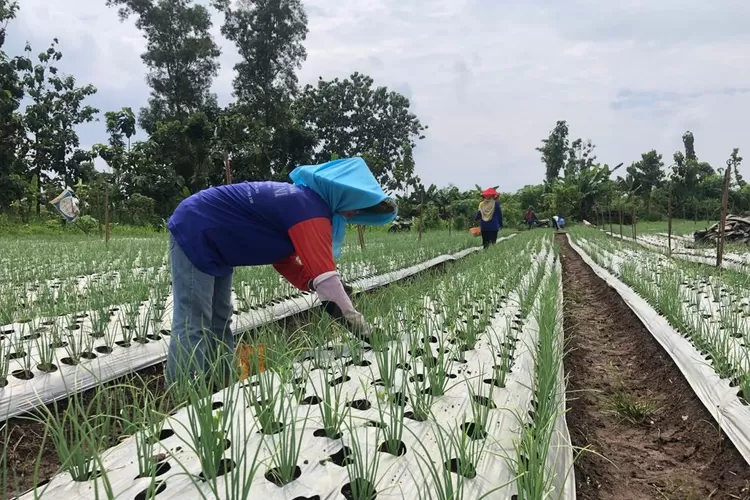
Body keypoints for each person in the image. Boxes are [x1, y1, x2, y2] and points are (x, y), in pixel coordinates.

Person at [164, 157, 398, 386]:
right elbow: (329, 287)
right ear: (344, 194)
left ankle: (220, 385)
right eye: (357, 205)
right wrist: (368, 333)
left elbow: (282, 259)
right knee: (194, 320)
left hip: (219, 243)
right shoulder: (309, 210)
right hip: (196, 229)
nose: (355, 213)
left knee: (219, 317)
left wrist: (314, 283)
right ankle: (184, 393)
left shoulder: (305, 204)